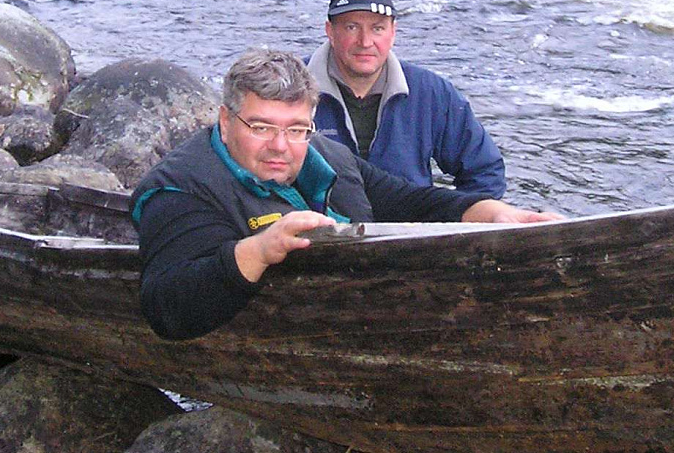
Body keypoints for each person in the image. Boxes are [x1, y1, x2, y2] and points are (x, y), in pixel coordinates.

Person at [130, 48, 560, 340]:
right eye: (261, 127)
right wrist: (259, 251)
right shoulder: (181, 188)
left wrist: (487, 211)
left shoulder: (326, 155)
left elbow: (408, 202)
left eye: (296, 129)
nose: (280, 146)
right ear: (226, 121)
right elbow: (168, 309)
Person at [308, 0, 506, 197]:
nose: (365, 42)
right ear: (330, 31)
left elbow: (485, 172)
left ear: (393, 32)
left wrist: (462, 220)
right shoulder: (288, 88)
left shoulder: (431, 93)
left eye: (377, 29)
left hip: (410, 227)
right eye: (352, 27)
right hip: (317, 227)